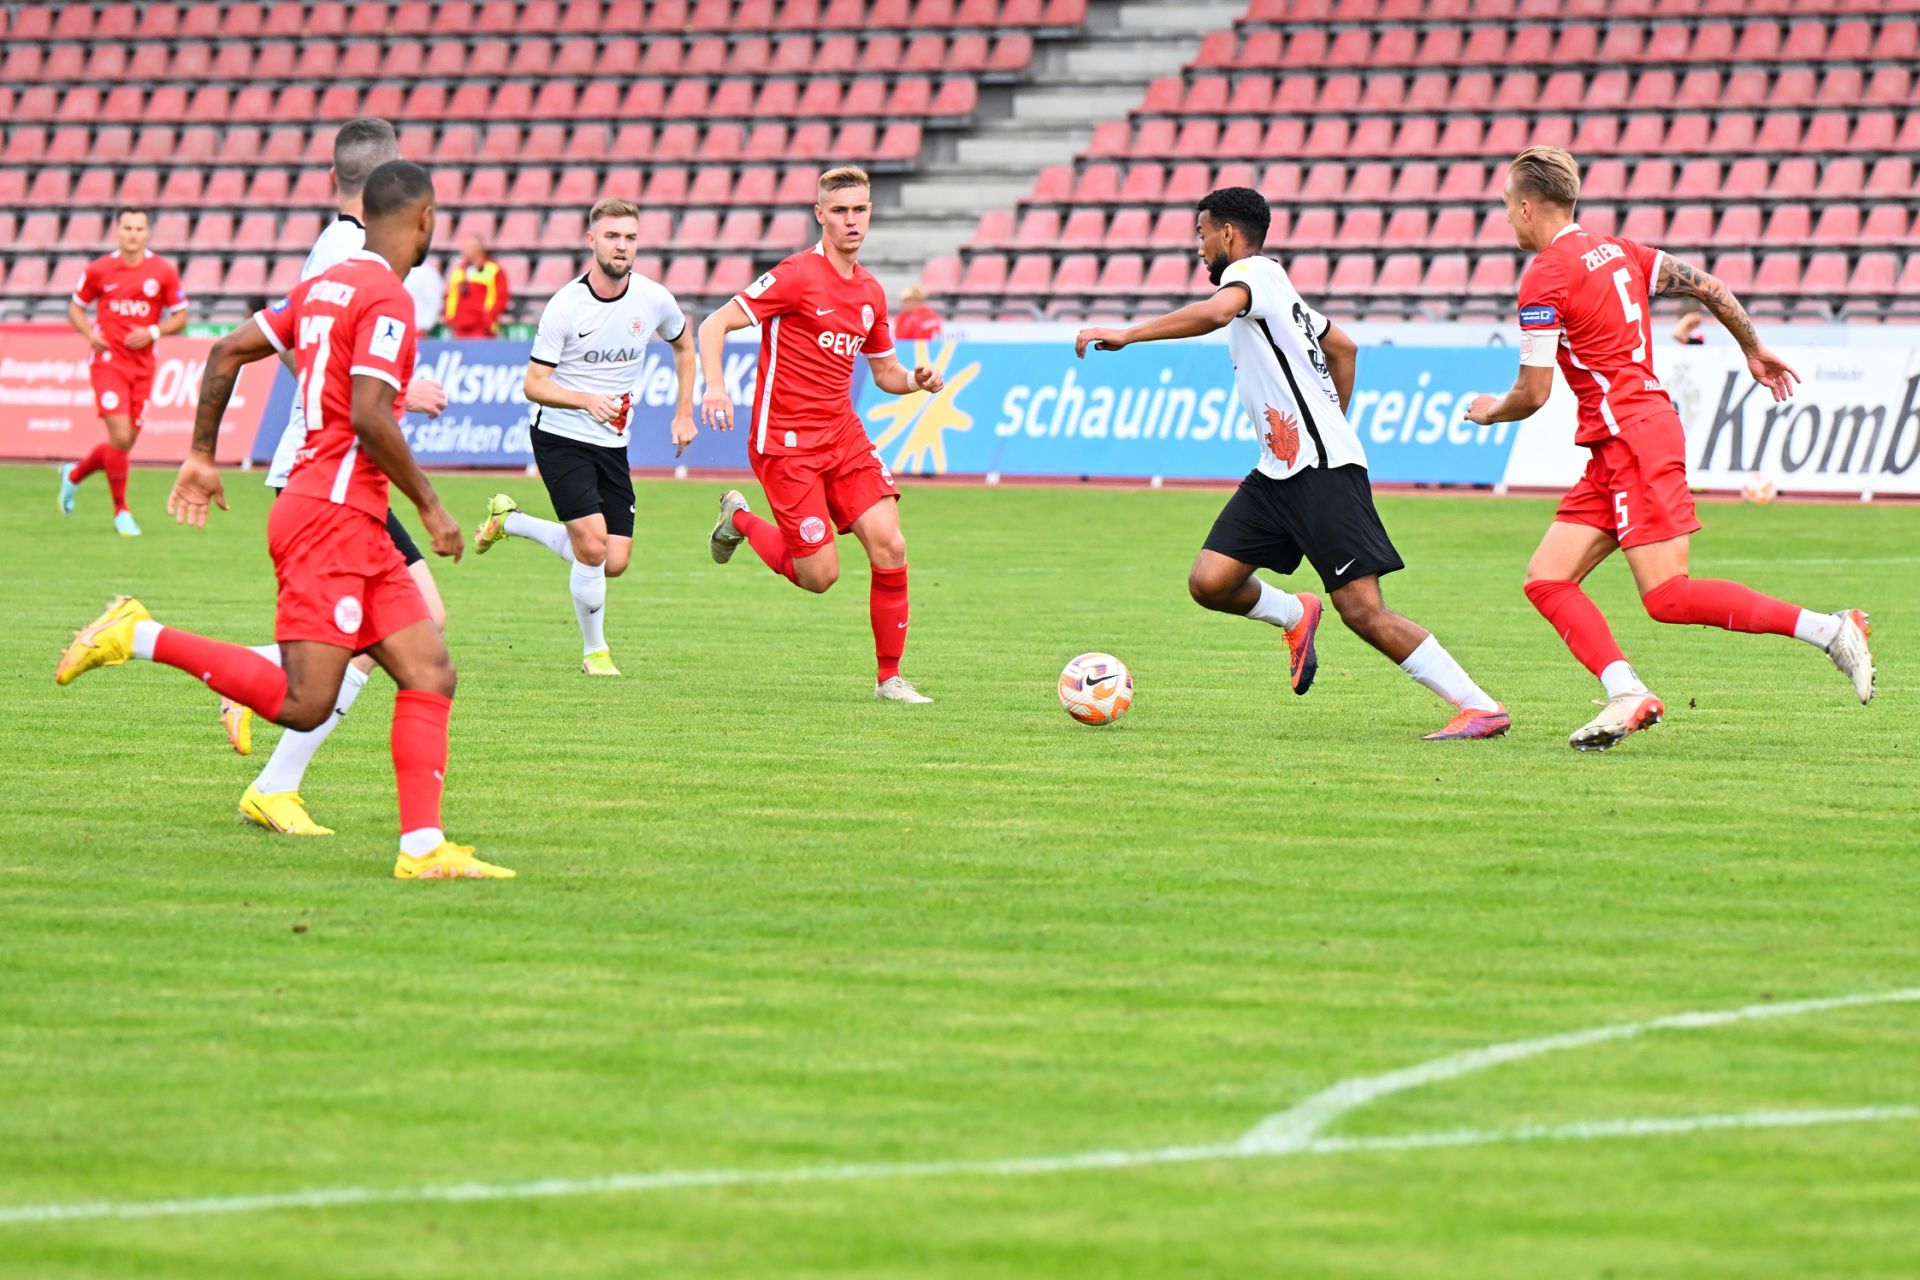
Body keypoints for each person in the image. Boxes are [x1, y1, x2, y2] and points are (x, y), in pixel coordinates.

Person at [56, 160, 512, 880]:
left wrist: (203, 455)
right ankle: (136, 634)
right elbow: (368, 414)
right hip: (329, 515)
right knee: (306, 702)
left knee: (429, 669)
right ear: (423, 218)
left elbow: (227, 348)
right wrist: (430, 505)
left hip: (341, 511)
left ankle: (423, 850)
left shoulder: (328, 284)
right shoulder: (389, 299)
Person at [1465, 146, 1873, 751]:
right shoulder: (1621, 252)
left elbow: (1534, 392)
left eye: (1505, 206)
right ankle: (1625, 690)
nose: (1505, 219)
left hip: (1634, 438)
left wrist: (1490, 410)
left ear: (1527, 206)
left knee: (1667, 596)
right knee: (1547, 578)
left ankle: (1831, 629)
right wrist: (1752, 349)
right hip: (1618, 444)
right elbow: (1708, 286)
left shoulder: (1546, 275)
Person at [1075, 187, 1510, 742]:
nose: (1199, 247)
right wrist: (1331, 420)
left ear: (1227, 234)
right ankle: (1294, 613)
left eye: (1201, 234)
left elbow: (1213, 314)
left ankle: (1479, 705)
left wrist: (1128, 334)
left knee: (1363, 611)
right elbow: (1345, 348)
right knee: (1211, 581)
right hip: (1279, 470)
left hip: (1321, 472)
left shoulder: (1253, 275)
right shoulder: (1280, 288)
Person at [222, 116, 452, 840]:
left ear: (334, 178)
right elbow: (314, 352)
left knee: (419, 637)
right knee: (413, 634)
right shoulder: (357, 253)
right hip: (333, 474)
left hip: (330, 468)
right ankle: (262, 692)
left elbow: (293, 337)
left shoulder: (338, 246)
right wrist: (375, 392)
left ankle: (279, 778)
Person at [698, 166, 945, 704]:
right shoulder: (794, 276)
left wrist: (915, 381)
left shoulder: (872, 293)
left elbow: (885, 374)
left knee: (891, 544)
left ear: (870, 212)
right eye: (840, 210)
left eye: (860, 209)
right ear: (820, 215)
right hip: (785, 443)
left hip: (843, 436)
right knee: (819, 576)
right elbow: (712, 324)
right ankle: (737, 517)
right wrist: (714, 387)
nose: (851, 220)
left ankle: (889, 680)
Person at [474, 197, 697, 675]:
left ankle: (509, 521)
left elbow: (683, 345)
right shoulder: (566, 306)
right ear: (591, 240)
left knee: (613, 559)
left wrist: (684, 413)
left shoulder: (653, 298)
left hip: (613, 443)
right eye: (613, 236)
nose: (622, 246)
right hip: (559, 435)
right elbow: (534, 384)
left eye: (631, 238)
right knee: (592, 547)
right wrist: (585, 400)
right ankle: (595, 653)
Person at [59, 207, 189, 537]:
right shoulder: (100, 269)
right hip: (108, 363)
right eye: (127, 227)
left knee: (123, 444)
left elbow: (181, 315)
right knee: (119, 437)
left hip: (143, 368)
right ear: (117, 231)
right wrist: (90, 334)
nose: (132, 234)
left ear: (148, 233)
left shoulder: (162, 271)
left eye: (139, 228)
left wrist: (154, 332)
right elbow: (75, 307)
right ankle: (122, 512)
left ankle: (73, 475)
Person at [445, 234, 510, 338]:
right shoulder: (459, 270)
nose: (463, 250)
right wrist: (451, 319)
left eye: (467, 247)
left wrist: (488, 318)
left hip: (483, 330)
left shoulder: (493, 270)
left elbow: (501, 297)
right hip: (460, 329)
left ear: (478, 249)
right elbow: (451, 296)